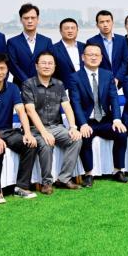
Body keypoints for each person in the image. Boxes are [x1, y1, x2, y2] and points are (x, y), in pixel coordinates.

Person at [0, 53, 47, 201]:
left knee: (30, 144)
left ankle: (22, 187)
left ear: (7, 70)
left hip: (8, 132)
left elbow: (21, 111)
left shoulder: (13, 88)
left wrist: (27, 133)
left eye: (2, 68)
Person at [68, 44, 128, 185]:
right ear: (83, 57)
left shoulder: (107, 75)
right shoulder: (75, 77)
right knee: (85, 137)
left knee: (121, 133)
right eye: (90, 54)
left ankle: (118, 171)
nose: (93, 57)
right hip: (87, 120)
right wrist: (82, 124)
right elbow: (75, 103)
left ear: (101, 58)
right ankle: (88, 174)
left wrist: (116, 119)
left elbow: (114, 98)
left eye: (97, 55)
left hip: (105, 119)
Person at [22, 51, 84, 190]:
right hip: (35, 129)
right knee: (46, 143)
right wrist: (44, 132)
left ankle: (64, 179)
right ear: (36, 66)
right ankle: (47, 182)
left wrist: (73, 127)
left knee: (76, 139)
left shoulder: (59, 84)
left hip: (56, 127)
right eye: (43, 63)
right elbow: (30, 111)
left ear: (55, 66)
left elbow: (67, 106)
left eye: (50, 63)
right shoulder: (28, 84)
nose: (47, 66)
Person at [6, 3, 54, 86]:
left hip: (43, 85)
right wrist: (28, 82)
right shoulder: (12, 42)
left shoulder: (46, 41)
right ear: (21, 20)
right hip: (20, 86)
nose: (30, 21)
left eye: (33, 18)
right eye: (26, 18)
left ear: (38, 19)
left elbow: (50, 63)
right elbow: (13, 66)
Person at [86, 10, 128, 86]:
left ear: (112, 23)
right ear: (97, 25)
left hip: (121, 82)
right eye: (102, 22)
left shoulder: (122, 40)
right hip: (101, 82)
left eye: (108, 21)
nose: (105, 24)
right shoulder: (91, 41)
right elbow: (91, 63)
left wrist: (118, 78)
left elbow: (126, 61)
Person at [53, 17, 85, 85]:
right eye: (66, 28)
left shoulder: (85, 47)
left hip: (85, 87)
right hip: (63, 87)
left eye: (73, 28)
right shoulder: (53, 49)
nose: (70, 31)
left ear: (77, 30)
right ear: (60, 31)